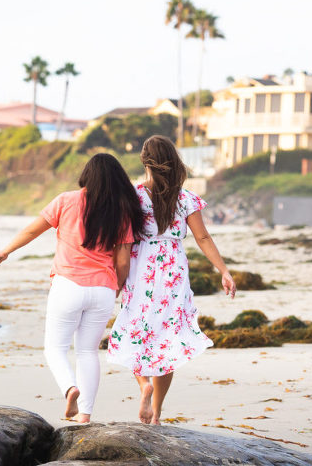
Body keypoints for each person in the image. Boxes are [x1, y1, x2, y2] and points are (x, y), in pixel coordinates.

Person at [0, 153, 144, 423]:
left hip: (68, 285)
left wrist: (6, 250)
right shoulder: (121, 212)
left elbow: (31, 231)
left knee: (55, 348)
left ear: (87, 175)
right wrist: (116, 287)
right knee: (87, 351)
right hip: (103, 289)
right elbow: (122, 261)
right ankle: (85, 414)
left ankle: (70, 388)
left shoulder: (66, 200)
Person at [107, 135, 236, 426]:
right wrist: (224, 271)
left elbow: (123, 244)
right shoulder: (186, 198)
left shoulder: (134, 196)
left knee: (133, 330)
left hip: (142, 271)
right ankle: (157, 411)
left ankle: (143, 385)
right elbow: (202, 237)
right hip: (173, 273)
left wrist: (114, 280)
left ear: (145, 161)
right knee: (167, 340)